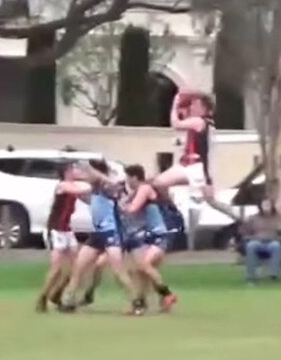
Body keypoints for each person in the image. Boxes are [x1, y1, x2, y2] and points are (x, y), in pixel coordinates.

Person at [59, 160, 144, 315]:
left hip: (111, 232)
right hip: (97, 233)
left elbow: (111, 184)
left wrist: (91, 170)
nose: (84, 176)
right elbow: (84, 193)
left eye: (87, 174)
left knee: (118, 271)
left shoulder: (107, 186)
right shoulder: (94, 189)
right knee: (79, 266)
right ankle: (68, 301)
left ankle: (137, 303)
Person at [152, 91, 239, 221]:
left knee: (209, 200)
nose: (192, 107)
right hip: (188, 165)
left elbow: (176, 124)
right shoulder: (203, 123)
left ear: (203, 108)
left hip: (195, 167)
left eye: (195, 105)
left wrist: (175, 103)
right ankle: (174, 210)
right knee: (159, 183)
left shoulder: (199, 121)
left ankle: (238, 217)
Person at [35, 162, 92, 312]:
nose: (76, 171)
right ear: (66, 172)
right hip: (56, 229)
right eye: (73, 169)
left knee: (76, 267)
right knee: (57, 269)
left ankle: (57, 294)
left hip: (67, 230)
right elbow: (81, 189)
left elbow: (85, 196)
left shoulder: (73, 186)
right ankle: (42, 297)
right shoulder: (63, 186)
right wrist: (94, 181)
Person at [120, 165, 177, 312]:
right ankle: (143, 303)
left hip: (159, 234)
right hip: (149, 235)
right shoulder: (140, 190)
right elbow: (128, 201)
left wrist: (119, 207)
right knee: (143, 271)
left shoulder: (144, 189)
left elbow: (132, 209)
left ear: (134, 177)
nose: (127, 181)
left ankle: (167, 294)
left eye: (128, 178)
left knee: (144, 265)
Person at [239, 198, 281, 283]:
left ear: (272, 206)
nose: (266, 207)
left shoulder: (278, 218)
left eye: (268, 205)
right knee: (251, 245)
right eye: (264, 205)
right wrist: (246, 229)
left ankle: (273, 274)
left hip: (272, 242)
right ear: (260, 206)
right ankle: (251, 275)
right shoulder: (253, 218)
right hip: (257, 242)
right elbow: (243, 231)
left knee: (276, 246)